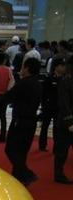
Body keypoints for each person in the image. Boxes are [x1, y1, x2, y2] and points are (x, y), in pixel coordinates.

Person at [3, 58, 42, 185]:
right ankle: (18, 177)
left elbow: (9, 96)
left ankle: (26, 173)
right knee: (22, 150)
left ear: (27, 68)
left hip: (20, 120)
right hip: (32, 119)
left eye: (23, 67)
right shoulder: (38, 83)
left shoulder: (24, 83)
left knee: (11, 149)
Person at [39, 57, 67, 152]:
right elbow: (43, 93)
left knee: (57, 128)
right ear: (56, 67)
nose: (64, 68)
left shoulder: (65, 79)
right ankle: (42, 145)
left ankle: (56, 147)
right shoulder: (49, 78)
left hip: (59, 107)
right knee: (45, 126)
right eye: (62, 66)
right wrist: (43, 105)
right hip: (48, 106)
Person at [53, 56, 73, 184]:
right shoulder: (66, 81)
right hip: (66, 123)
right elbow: (64, 103)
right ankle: (58, 174)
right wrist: (69, 121)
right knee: (62, 151)